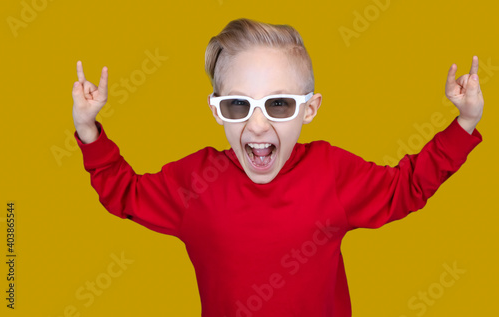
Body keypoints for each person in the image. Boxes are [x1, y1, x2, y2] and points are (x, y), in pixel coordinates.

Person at [72, 18, 483, 316]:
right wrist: (88, 128)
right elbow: (125, 194)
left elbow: (404, 188)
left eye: (279, 103)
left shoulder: (331, 172)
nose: (257, 123)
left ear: (309, 109)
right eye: (238, 104)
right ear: (217, 112)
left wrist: (464, 123)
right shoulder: (195, 183)